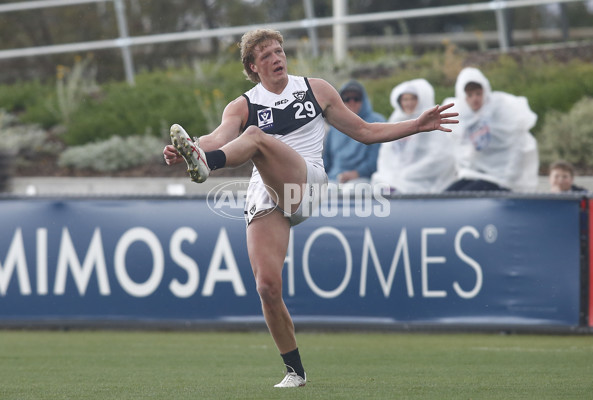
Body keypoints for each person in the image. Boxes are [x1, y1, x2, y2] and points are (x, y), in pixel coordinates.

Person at [162, 28, 458, 388]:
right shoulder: (242, 105)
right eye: (267, 55)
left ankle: (206, 165)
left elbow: (365, 131)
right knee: (267, 287)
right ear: (252, 66)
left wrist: (417, 124)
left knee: (255, 137)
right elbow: (218, 136)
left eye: (279, 51)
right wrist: (190, 147)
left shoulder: (315, 89)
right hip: (267, 190)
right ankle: (295, 371)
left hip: (308, 181)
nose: (277, 58)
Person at [444, 67, 539, 192]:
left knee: (464, 197)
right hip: (473, 174)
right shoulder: (462, 117)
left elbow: (516, 144)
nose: (475, 99)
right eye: (470, 95)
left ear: (485, 92)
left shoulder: (500, 111)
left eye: (478, 93)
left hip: (499, 177)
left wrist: (508, 178)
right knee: (446, 196)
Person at [371, 78, 456, 193]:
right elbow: (386, 156)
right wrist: (391, 175)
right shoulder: (395, 120)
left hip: (422, 185)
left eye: (413, 99)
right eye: (405, 99)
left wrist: (409, 173)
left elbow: (441, 157)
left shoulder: (431, 123)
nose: (408, 103)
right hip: (392, 182)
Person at [322, 80, 383, 184]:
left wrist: (357, 173)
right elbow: (326, 160)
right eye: (347, 99)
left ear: (364, 100)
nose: (352, 102)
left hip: (364, 178)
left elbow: (377, 158)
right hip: (334, 177)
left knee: (352, 191)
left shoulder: (377, 122)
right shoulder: (335, 124)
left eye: (356, 98)